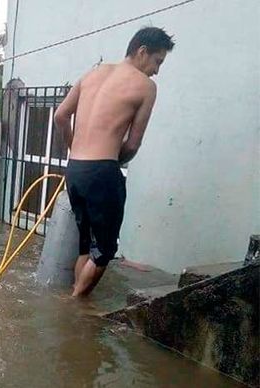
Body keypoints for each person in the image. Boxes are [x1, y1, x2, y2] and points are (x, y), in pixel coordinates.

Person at [53, 27, 175, 296]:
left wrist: (76, 147)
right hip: (101, 172)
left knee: (85, 246)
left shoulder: (92, 74)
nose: (157, 71)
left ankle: (75, 298)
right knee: (105, 250)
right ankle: (76, 309)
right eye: (158, 62)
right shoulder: (146, 86)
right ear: (142, 51)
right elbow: (132, 144)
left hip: (74, 170)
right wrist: (109, 162)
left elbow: (60, 116)